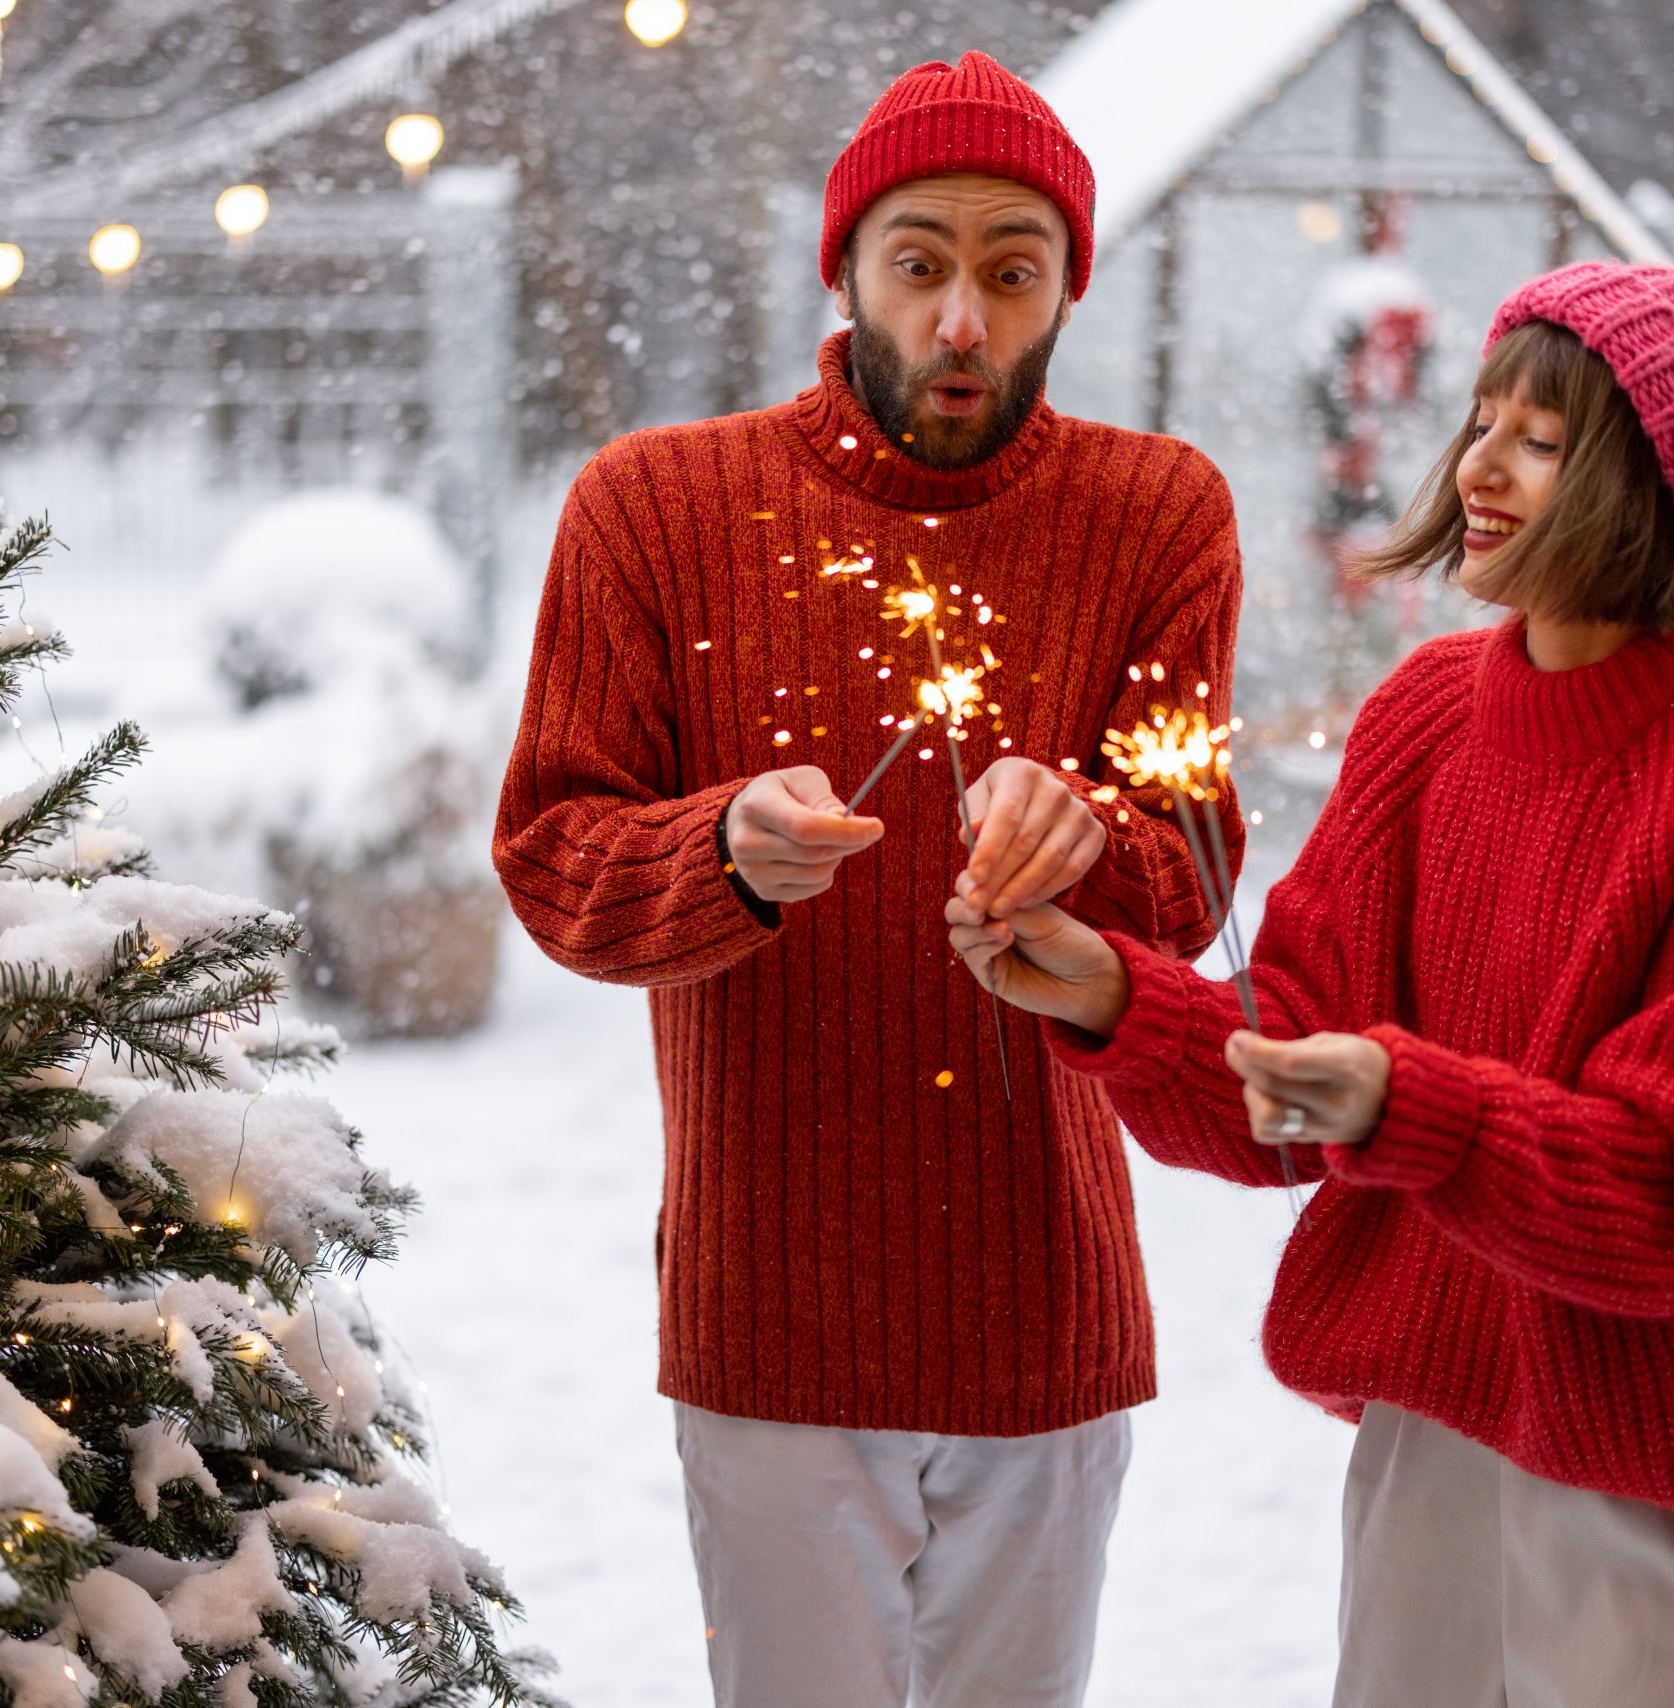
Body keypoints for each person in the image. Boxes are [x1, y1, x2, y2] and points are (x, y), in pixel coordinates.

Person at [948, 262, 1674, 1707]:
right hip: (1431, 1416)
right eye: (1481, 421)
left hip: (1653, 1462)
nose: (1481, 468)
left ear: (1656, 482)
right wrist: (1111, 996)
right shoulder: (1426, 716)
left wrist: (1417, 1108)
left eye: (1545, 437)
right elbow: (1297, 1069)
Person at [493, 50, 1243, 1708]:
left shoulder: (1159, 515)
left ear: (1065, 291)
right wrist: (718, 852)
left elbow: (1190, 870)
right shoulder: (655, 509)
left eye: (1009, 270)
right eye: (920, 264)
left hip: (1042, 1302)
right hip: (773, 1303)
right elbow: (553, 856)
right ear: (842, 269)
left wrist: (1095, 843)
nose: (960, 321)